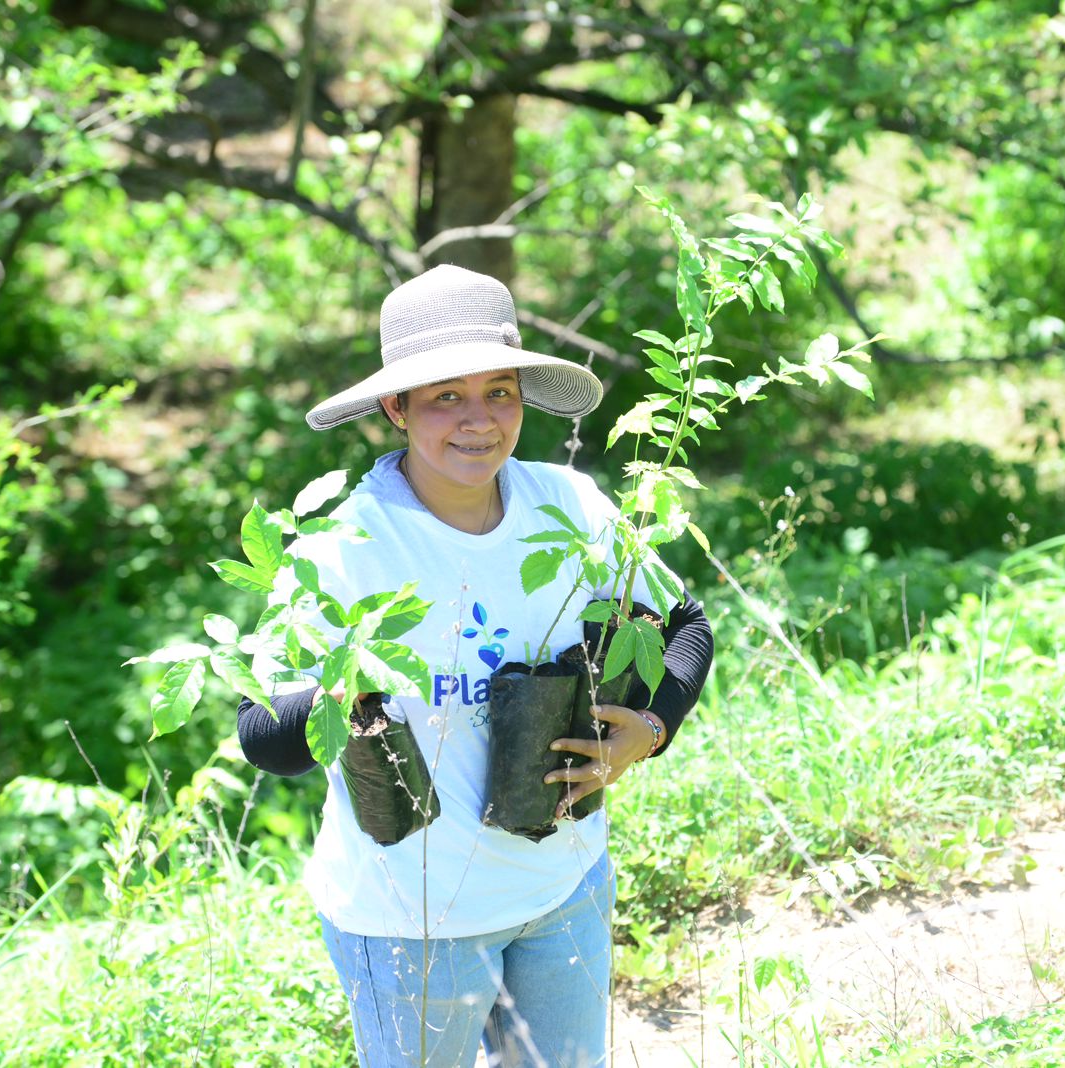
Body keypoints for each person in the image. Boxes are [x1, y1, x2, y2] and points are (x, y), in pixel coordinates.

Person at [237, 264, 713, 1067]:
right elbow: (263, 737)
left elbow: (685, 624)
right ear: (397, 407)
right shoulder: (342, 549)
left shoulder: (570, 506)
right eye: (445, 396)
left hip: (565, 889)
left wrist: (651, 731)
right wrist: (346, 681)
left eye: (500, 391)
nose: (479, 421)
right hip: (412, 926)